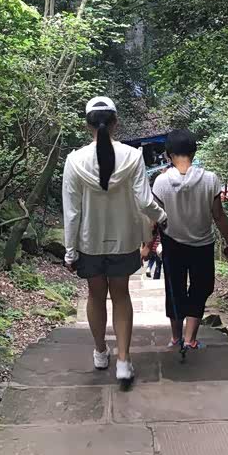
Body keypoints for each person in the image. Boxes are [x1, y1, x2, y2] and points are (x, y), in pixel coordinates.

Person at [62, 96, 166, 388]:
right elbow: (144, 201)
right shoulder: (132, 157)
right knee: (121, 296)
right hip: (123, 240)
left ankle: (100, 352)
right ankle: (123, 360)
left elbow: (72, 212)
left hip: (89, 242)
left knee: (95, 295)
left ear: (88, 125)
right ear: (116, 122)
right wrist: (163, 217)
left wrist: (70, 252)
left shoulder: (74, 161)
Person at [152, 129, 228, 350]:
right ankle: (190, 339)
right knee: (200, 288)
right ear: (194, 152)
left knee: (174, 289)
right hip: (202, 244)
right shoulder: (210, 179)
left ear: (168, 155)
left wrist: (147, 245)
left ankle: (176, 338)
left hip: (172, 243)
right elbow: (218, 215)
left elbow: (154, 219)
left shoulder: (161, 182)